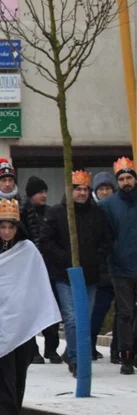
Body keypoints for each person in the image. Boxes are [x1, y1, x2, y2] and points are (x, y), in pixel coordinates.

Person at [0, 200, 60, 415]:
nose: (6, 231)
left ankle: (10, 413)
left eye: (10, 226)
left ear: (17, 227)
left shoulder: (29, 250)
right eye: (1, 226)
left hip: (22, 320)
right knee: (2, 371)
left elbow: (38, 283)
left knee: (19, 370)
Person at [38, 171, 112, 376]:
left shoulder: (98, 214)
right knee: (71, 318)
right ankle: (76, 358)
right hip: (65, 275)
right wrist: (66, 259)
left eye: (84, 189)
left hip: (90, 276)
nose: (81, 193)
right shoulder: (56, 213)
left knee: (84, 319)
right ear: (69, 191)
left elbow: (106, 241)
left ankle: (78, 353)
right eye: (77, 189)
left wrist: (94, 258)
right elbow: (46, 242)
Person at [100, 158, 137, 374]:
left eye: (129, 177)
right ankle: (126, 355)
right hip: (120, 267)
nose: (125, 182)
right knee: (125, 313)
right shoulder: (107, 205)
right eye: (121, 179)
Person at [21, 175, 54, 363]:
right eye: (40, 192)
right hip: (31, 269)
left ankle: (51, 348)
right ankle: (33, 350)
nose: (44, 195)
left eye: (45, 191)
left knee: (50, 309)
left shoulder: (51, 212)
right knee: (32, 310)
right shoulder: (25, 211)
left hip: (50, 267)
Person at [91, 172, 118, 362]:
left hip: (121, 267)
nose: (105, 192)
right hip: (100, 269)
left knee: (124, 312)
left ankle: (119, 348)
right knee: (97, 311)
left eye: (108, 188)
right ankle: (89, 346)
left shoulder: (119, 208)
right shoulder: (93, 211)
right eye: (101, 189)